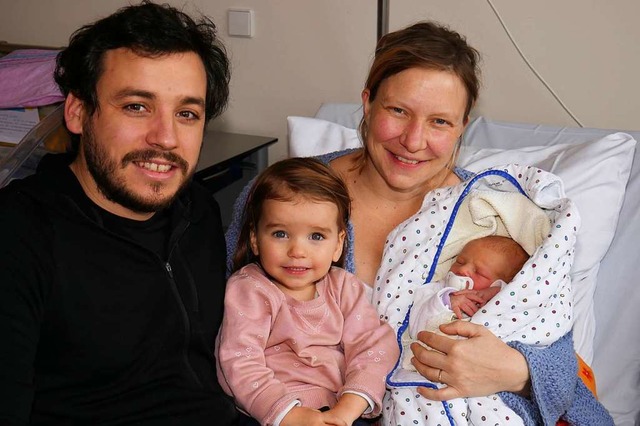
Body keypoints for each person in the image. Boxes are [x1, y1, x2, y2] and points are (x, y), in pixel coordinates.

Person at [227, 21, 612, 425]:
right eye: (398, 111)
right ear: (368, 103)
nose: (413, 141)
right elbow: (212, 332)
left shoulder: (492, 216)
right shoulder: (286, 198)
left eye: (440, 122)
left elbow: (555, 349)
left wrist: (516, 372)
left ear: (464, 126)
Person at [0, 2, 237, 424]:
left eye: (186, 114)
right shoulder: (19, 235)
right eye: (136, 106)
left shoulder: (196, 210)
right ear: (77, 111)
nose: (165, 138)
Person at [217, 158, 399, 426]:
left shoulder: (344, 288)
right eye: (280, 234)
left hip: (341, 408)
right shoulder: (250, 289)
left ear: (338, 245)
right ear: (255, 239)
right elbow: (240, 361)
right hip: (271, 413)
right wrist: (289, 415)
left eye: (316, 236)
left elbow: (373, 347)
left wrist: (349, 407)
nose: (297, 251)